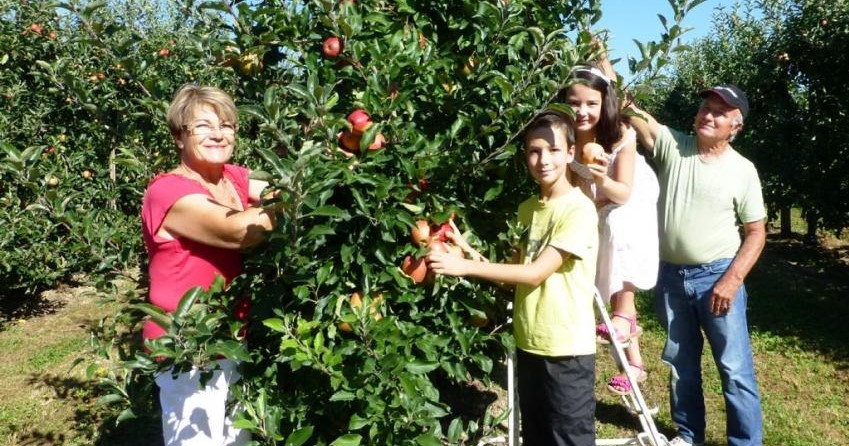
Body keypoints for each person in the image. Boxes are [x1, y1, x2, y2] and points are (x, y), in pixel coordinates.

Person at [428, 112, 599, 446]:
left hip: (566, 349)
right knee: (536, 435)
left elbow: (535, 273)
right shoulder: (527, 209)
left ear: (570, 153)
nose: (543, 159)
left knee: (569, 438)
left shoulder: (578, 209)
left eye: (552, 150)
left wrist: (464, 268)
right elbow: (513, 276)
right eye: (535, 151)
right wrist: (466, 251)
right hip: (529, 342)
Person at [626, 84, 766, 446]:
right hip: (671, 277)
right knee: (680, 365)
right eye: (706, 108)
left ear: (736, 126)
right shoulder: (674, 146)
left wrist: (732, 280)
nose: (709, 115)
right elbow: (630, 110)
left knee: (734, 370)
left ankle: (746, 443)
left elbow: (756, 232)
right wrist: (602, 63)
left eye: (720, 112)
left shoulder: (743, 170)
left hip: (717, 277)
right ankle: (689, 437)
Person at [141, 84, 278, 445]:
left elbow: (283, 190)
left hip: (231, 335)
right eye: (202, 126)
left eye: (227, 125)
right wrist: (297, 203)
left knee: (236, 439)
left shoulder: (231, 178)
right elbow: (238, 231)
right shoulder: (168, 191)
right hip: (189, 347)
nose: (218, 133)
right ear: (178, 137)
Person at [562, 62, 660, 396]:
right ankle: (633, 360)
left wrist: (602, 180)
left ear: (605, 102)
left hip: (629, 192)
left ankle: (623, 315)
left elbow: (624, 192)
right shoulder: (567, 138)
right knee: (602, 256)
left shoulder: (618, 133)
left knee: (619, 224)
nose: (582, 111)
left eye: (591, 103)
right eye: (574, 103)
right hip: (597, 198)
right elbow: (573, 187)